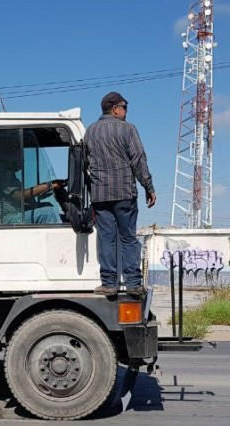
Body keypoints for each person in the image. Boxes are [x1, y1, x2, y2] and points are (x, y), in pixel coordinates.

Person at [86, 91, 155, 297]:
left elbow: (85, 163)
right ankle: (133, 284)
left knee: (106, 239)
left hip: (100, 195)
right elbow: (138, 160)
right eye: (124, 107)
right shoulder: (127, 129)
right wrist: (148, 187)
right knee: (127, 238)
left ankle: (109, 284)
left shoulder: (90, 131)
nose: (126, 111)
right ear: (115, 109)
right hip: (124, 193)